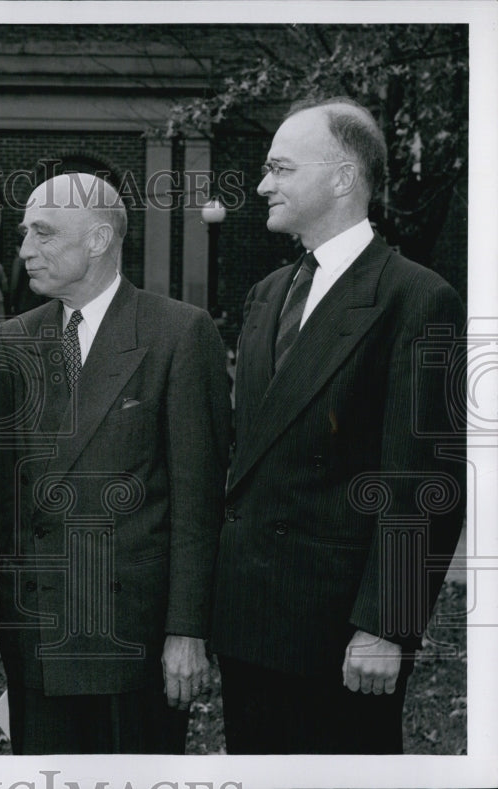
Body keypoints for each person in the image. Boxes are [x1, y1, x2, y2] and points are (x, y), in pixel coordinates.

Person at [210, 97, 467, 754]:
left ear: (342, 177)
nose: (264, 184)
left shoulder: (417, 296)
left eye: (280, 168)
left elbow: (424, 481)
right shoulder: (266, 293)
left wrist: (387, 625)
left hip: (341, 635)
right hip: (249, 625)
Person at [0, 173, 231, 754]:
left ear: (97, 240)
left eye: (42, 234)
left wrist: (187, 630)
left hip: (132, 641)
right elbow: (13, 506)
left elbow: (199, 503)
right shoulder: (10, 341)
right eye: (25, 234)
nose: (24, 251)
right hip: (38, 636)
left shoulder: (178, 333)